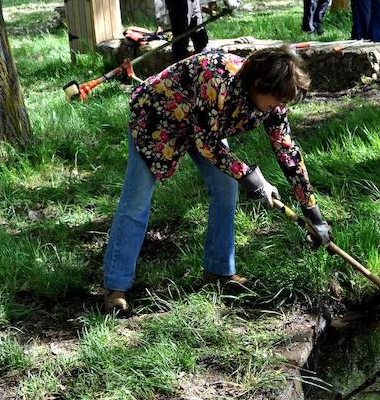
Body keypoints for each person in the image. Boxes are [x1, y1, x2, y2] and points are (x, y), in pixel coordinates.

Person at [103, 46, 331, 313]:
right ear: (258, 84)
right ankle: (116, 287)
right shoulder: (218, 78)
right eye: (276, 100)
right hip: (158, 115)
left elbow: (287, 151)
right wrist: (250, 176)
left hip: (203, 123)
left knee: (225, 185)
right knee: (137, 199)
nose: (279, 108)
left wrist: (313, 213)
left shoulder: (272, 103)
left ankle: (219, 269)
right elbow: (208, 143)